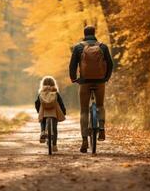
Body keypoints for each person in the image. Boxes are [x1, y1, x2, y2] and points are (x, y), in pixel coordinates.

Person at [69, 25, 113, 153]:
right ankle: (102, 129)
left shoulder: (78, 47)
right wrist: (106, 78)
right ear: (94, 33)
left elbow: (72, 65)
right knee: (100, 105)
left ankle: (84, 141)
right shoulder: (103, 47)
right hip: (100, 81)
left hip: (85, 82)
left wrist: (74, 79)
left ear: (84, 33)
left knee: (84, 111)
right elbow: (110, 64)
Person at [35, 76, 66, 152]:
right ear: (54, 84)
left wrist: (38, 111)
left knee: (42, 121)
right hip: (54, 113)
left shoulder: (41, 93)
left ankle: (42, 131)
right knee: (54, 129)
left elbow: (37, 103)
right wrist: (64, 111)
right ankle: (54, 145)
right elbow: (61, 103)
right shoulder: (55, 93)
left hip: (44, 111)